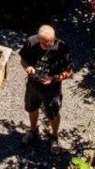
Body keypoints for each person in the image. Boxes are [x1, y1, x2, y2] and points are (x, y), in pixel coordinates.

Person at [19, 24, 73, 154]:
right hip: (33, 85)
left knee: (53, 113)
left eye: (50, 42)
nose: (47, 45)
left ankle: (54, 137)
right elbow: (23, 60)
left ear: (54, 38)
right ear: (38, 38)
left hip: (52, 89)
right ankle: (33, 131)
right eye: (44, 42)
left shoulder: (62, 49)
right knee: (31, 108)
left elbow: (69, 72)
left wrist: (54, 79)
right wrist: (27, 68)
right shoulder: (31, 42)